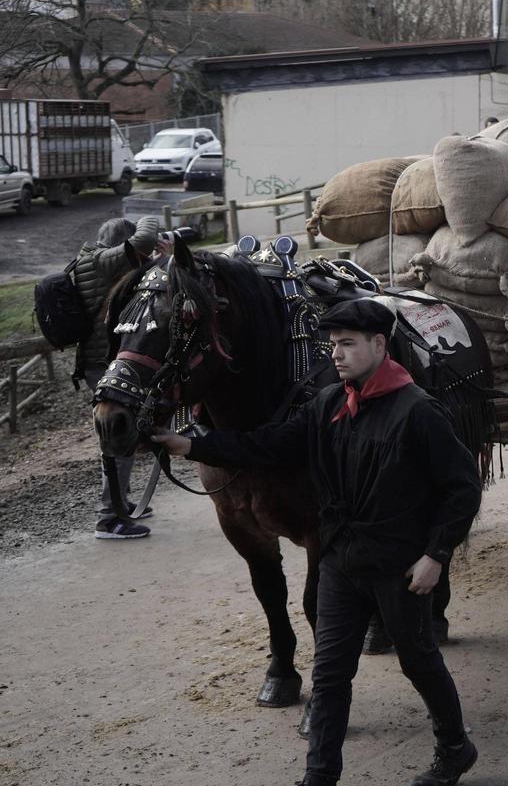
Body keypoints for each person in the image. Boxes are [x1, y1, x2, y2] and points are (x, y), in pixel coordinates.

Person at [152, 298, 483, 786]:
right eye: (332, 345)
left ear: (378, 345)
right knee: (329, 675)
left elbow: (463, 488)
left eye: (348, 345)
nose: (337, 355)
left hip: (398, 567)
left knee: (418, 661)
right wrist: (193, 445)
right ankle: (319, 777)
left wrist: (436, 555)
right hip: (340, 561)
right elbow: (267, 444)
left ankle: (455, 748)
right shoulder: (329, 404)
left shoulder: (419, 412)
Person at [78, 216, 164, 539]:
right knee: (118, 434)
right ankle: (108, 518)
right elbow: (141, 243)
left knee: (120, 433)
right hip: (103, 364)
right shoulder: (102, 261)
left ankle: (119, 502)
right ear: (119, 244)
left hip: (101, 362)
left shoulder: (92, 260)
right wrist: (148, 218)